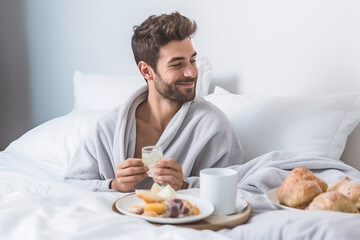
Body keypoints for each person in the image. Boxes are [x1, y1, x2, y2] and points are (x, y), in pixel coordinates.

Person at [64, 12, 244, 192]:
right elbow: (73, 183)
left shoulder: (212, 126)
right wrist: (114, 185)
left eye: (193, 60)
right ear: (146, 71)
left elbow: (234, 186)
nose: (191, 72)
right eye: (177, 64)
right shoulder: (107, 128)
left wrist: (184, 185)